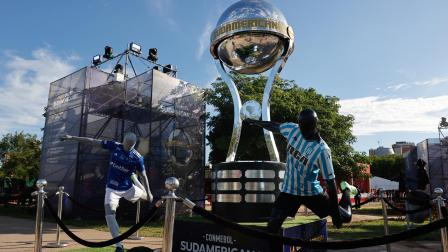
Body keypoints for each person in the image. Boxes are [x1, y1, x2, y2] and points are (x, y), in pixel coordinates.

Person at [246, 108, 352, 234]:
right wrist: (255, 122)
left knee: (346, 217)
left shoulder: (322, 150)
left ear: (314, 125)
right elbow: (274, 126)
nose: (304, 131)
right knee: (272, 226)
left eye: (308, 128)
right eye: (302, 127)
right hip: (289, 190)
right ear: (299, 124)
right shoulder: (293, 130)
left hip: (311, 193)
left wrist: (335, 213)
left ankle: (347, 190)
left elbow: (331, 183)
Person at [61, 132, 153, 252]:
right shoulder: (115, 146)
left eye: (131, 145)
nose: (128, 145)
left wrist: (149, 192)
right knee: (109, 215)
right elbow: (92, 141)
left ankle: (134, 178)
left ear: (134, 145)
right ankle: (119, 246)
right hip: (112, 190)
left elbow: (144, 176)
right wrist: (72, 137)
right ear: (123, 141)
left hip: (128, 188)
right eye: (126, 143)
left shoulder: (137, 158)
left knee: (147, 197)